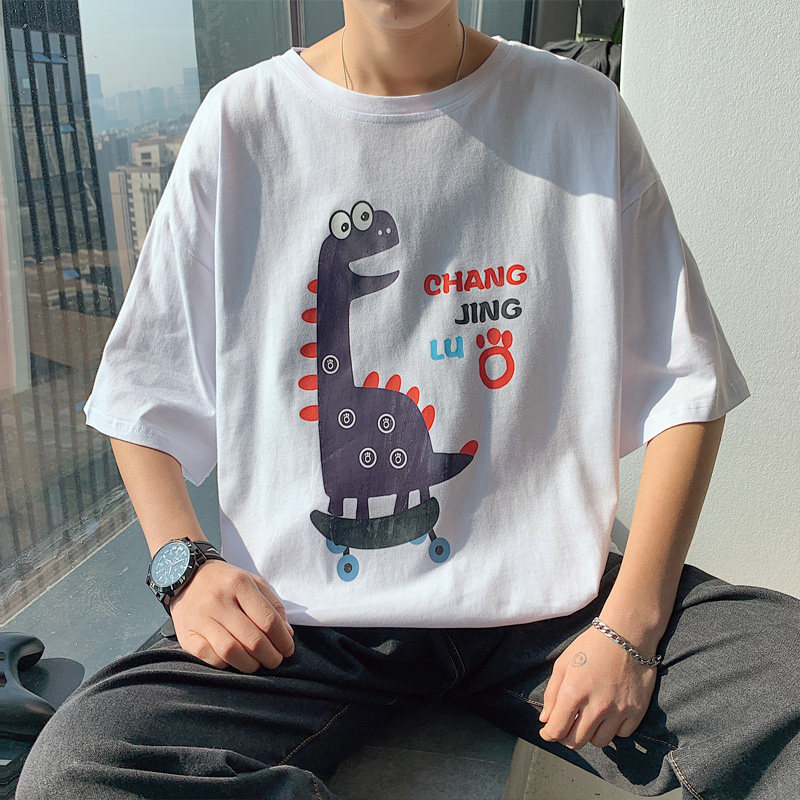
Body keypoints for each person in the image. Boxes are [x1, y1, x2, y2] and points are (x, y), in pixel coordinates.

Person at [16, 2, 799, 799]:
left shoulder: (580, 113)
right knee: (78, 772)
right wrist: (184, 567)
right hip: (299, 623)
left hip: (554, 607)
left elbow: (686, 383)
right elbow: (141, 389)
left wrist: (631, 625)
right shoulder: (242, 123)